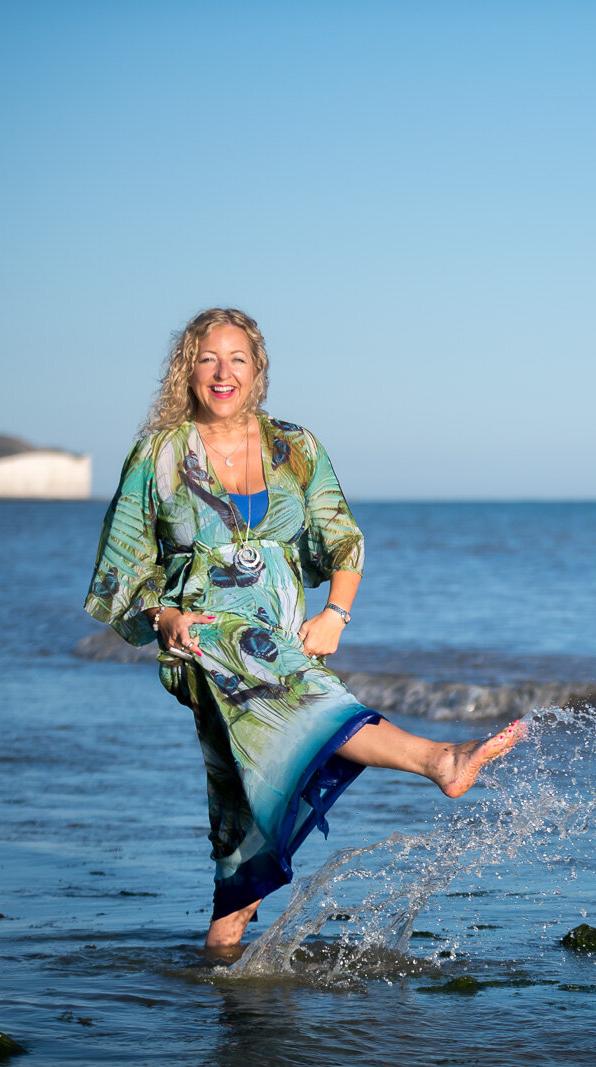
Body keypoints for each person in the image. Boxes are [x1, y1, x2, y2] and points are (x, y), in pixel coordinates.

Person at [84, 307, 524, 952]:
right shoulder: (158, 456)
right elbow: (122, 568)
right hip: (206, 636)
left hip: (282, 631)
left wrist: (335, 615)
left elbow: (343, 538)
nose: (222, 372)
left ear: (258, 371)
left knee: (240, 792)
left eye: (238, 359)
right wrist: (166, 614)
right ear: (189, 369)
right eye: (209, 358)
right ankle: (439, 758)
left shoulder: (296, 448)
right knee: (306, 703)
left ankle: (225, 937)